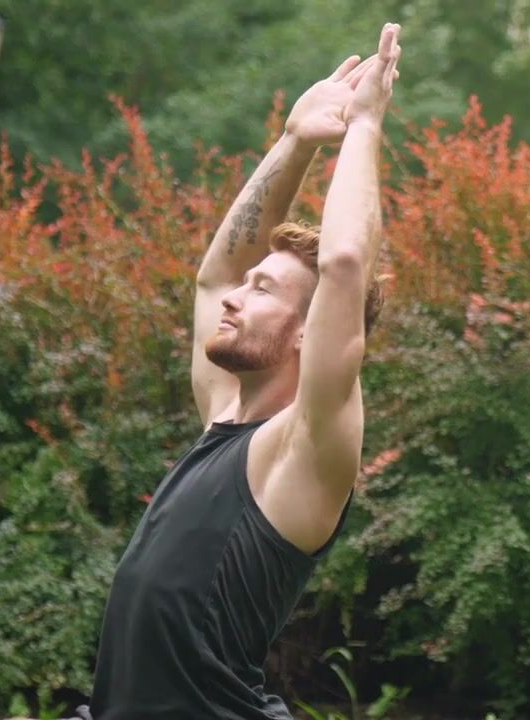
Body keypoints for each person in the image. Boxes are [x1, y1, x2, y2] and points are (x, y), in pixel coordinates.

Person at [80, 23, 403, 719]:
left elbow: (346, 264)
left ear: (308, 332)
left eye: (262, 291)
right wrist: (295, 141)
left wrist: (364, 126)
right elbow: (213, 277)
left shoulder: (305, 449)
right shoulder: (224, 417)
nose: (235, 296)